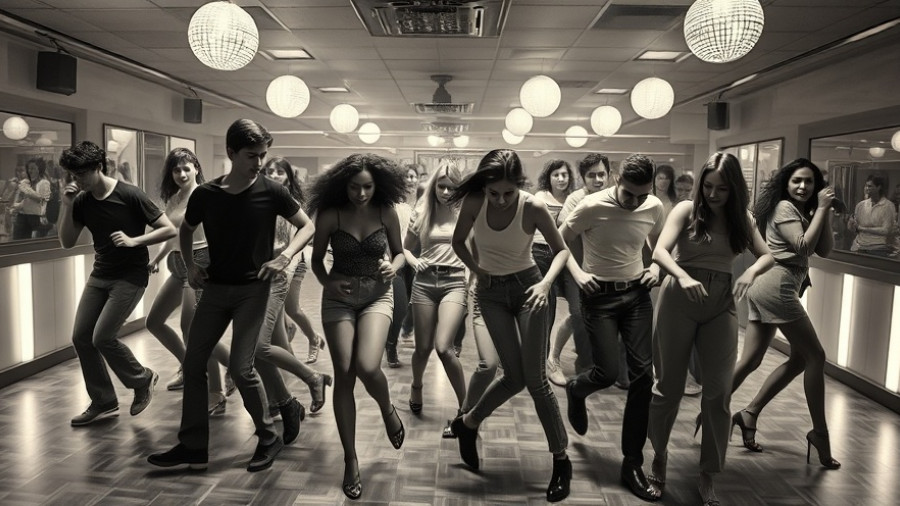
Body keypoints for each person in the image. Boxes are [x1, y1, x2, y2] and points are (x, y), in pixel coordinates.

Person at [148, 119, 314, 473]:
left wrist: (285, 256)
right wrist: (191, 266)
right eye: (251, 155)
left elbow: (308, 226)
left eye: (262, 155)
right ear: (231, 153)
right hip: (215, 289)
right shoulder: (207, 194)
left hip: (254, 290)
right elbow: (187, 228)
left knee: (241, 368)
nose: (258, 162)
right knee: (194, 363)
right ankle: (192, 445)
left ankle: (268, 437)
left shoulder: (271, 191)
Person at [647, 153, 774, 505]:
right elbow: (660, 252)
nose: (714, 194)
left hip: (721, 303)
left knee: (718, 394)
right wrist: (683, 276)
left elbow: (767, 255)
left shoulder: (742, 220)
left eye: (721, 188)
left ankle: (708, 473)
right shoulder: (686, 211)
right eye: (708, 186)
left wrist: (750, 271)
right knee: (667, 388)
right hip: (679, 297)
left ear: (734, 189)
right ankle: (658, 456)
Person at [449, 149, 572, 503]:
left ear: (519, 185)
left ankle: (561, 460)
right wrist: (477, 267)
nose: (501, 200)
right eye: (494, 193)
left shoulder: (532, 206)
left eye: (509, 192)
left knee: (535, 381)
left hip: (530, 288)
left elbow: (561, 251)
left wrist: (547, 283)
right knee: (512, 376)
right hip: (490, 293)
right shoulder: (475, 202)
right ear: (484, 187)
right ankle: (469, 424)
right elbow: (459, 242)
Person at [559, 153, 664, 501]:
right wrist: (577, 273)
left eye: (642, 195)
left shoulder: (653, 206)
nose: (635, 203)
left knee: (642, 377)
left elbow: (659, 244)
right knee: (605, 373)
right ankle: (577, 389)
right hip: (598, 297)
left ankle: (632, 462)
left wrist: (657, 268)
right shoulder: (590, 206)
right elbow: (559, 240)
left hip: (636, 295)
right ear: (618, 180)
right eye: (629, 194)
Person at [307, 153, 408, 500]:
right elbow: (317, 260)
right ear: (342, 185)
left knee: (368, 366)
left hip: (378, 296)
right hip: (339, 297)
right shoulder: (331, 213)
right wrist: (327, 284)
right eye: (354, 187)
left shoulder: (386, 211)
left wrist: (393, 267)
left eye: (367, 187)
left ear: (377, 185)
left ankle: (387, 409)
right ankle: (351, 459)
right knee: (345, 374)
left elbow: (400, 253)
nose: (361, 194)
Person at [730, 158, 842, 470]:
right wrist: (819, 209)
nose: (803, 187)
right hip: (776, 286)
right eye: (797, 181)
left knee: (759, 360)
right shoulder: (783, 209)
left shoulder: (803, 210)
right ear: (786, 183)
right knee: (815, 357)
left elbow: (825, 250)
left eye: (809, 182)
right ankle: (820, 434)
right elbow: (805, 247)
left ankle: (741, 413)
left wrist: (825, 211)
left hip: (774, 286)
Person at [58, 141, 177, 426]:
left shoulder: (129, 194)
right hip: (101, 275)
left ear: (98, 168)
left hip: (130, 276)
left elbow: (169, 228)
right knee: (81, 337)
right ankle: (104, 400)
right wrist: (66, 205)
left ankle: (142, 378)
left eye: (81, 175)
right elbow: (66, 242)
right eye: (73, 176)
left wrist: (135, 240)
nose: (77, 181)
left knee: (103, 337)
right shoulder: (83, 200)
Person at [145, 148, 228, 414]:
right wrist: (157, 259)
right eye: (176, 169)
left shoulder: (205, 196)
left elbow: (218, 234)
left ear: (196, 168)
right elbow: (173, 235)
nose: (181, 173)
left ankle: (217, 389)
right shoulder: (175, 198)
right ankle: (190, 366)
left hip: (199, 263)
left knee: (194, 330)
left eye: (186, 168)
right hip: (178, 265)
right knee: (154, 321)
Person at [252, 157, 332, 418]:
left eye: (279, 172)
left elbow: (287, 243)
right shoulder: (260, 199)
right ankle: (280, 401)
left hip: (278, 275)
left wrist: (281, 257)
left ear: (288, 177)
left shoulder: (287, 204)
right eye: (270, 171)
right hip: (258, 277)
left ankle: (312, 377)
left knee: (259, 347)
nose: (274, 175)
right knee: (278, 344)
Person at [404, 161, 468, 436]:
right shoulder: (421, 210)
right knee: (422, 348)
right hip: (425, 282)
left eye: (451, 187)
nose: (445, 192)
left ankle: (466, 411)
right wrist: (414, 260)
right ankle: (416, 386)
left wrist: (470, 275)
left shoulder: (466, 211)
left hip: (455, 281)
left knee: (444, 347)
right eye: (440, 186)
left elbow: (474, 248)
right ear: (433, 186)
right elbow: (405, 249)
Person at [548, 154, 611, 386]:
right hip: (575, 266)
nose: (598, 179)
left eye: (601, 174)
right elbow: (561, 234)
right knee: (579, 314)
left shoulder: (614, 197)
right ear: (584, 178)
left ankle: (595, 363)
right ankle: (576, 365)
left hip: (602, 269)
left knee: (586, 316)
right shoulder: (576, 199)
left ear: (609, 175)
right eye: (592, 175)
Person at [532, 159, 574, 338]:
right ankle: (539, 349)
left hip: (565, 254)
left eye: (564, 175)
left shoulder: (573, 199)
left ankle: (548, 352)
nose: (561, 179)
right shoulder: (541, 196)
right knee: (543, 303)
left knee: (573, 306)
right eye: (556, 175)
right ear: (548, 178)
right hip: (540, 251)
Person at [848, 174, 897, 257]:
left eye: (870, 186)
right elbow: (855, 230)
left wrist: (862, 228)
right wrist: (851, 225)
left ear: (879, 187)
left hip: (878, 248)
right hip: (859, 247)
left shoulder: (888, 206)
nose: (867, 188)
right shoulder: (861, 205)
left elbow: (886, 230)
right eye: (866, 186)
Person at [13, 158, 52, 239]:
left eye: (33, 168)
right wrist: (17, 206)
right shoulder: (24, 182)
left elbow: (40, 199)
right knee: (17, 243)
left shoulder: (44, 183)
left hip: (36, 219)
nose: (29, 171)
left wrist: (25, 189)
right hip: (21, 217)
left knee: (33, 245)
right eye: (29, 168)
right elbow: (18, 202)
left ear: (40, 169)